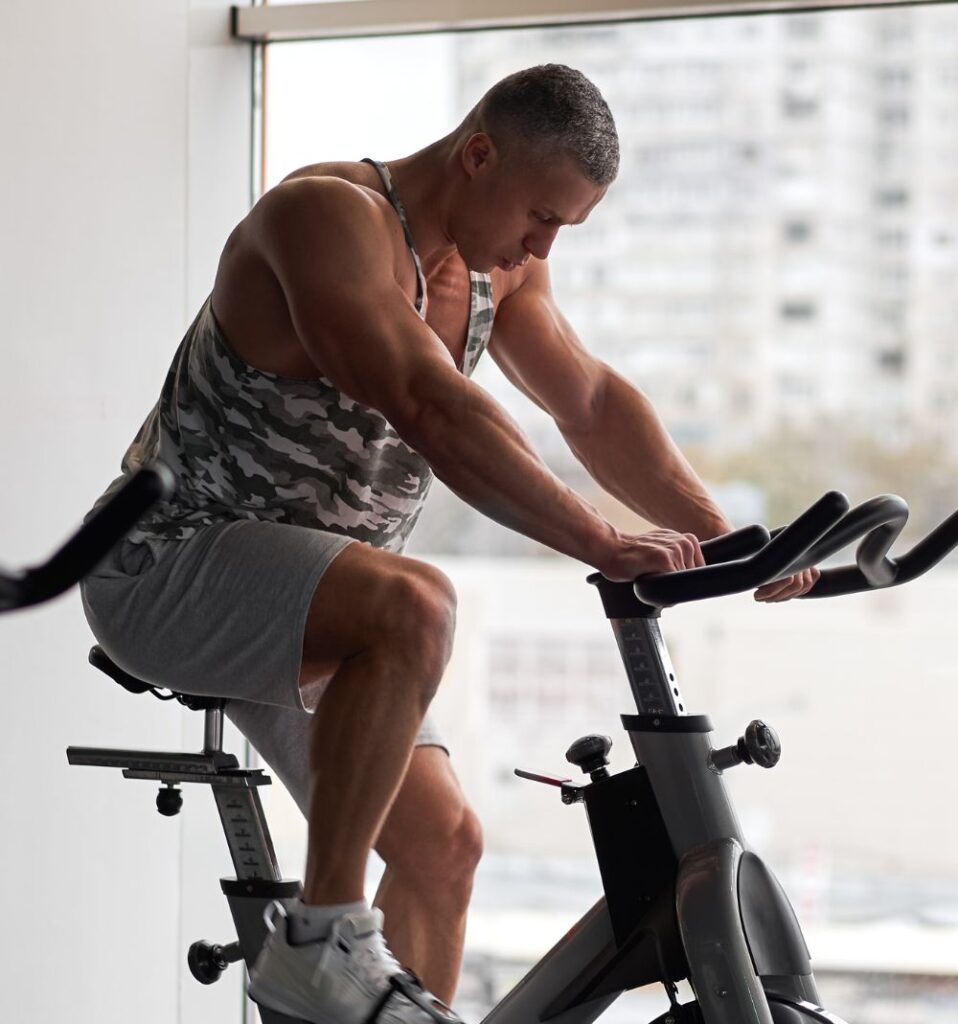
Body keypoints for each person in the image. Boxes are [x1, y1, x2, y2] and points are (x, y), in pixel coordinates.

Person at [80, 64, 817, 1024]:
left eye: (565, 230)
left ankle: (348, 981)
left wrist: (721, 537)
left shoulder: (498, 265)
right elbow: (429, 404)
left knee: (444, 848)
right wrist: (599, 538)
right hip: (165, 562)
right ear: (477, 155)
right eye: (540, 217)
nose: (543, 245)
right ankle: (320, 939)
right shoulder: (326, 219)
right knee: (415, 603)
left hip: (318, 596)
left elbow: (588, 402)